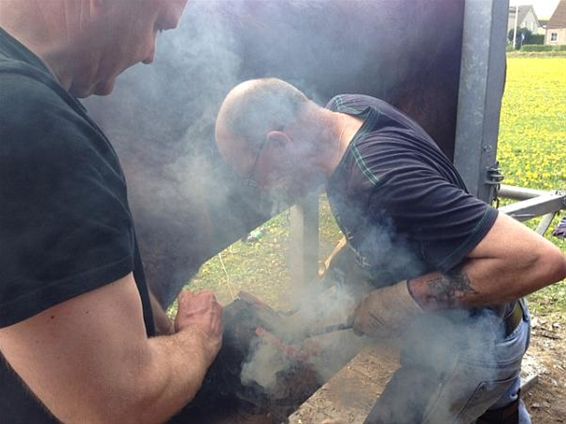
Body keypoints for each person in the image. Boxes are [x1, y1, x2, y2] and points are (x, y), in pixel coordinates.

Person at [214, 78, 566, 423]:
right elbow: (387, 229)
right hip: (501, 324)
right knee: (497, 411)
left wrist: (401, 299)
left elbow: (539, 260)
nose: (261, 188)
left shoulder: (380, 179)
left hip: (473, 350)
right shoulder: (345, 112)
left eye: (251, 175)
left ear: (277, 143)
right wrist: (323, 295)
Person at [0, 1, 223, 423]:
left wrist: (151, 323)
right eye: (158, 26)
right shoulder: (24, 118)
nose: (150, 53)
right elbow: (118, 404)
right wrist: (198, 339)